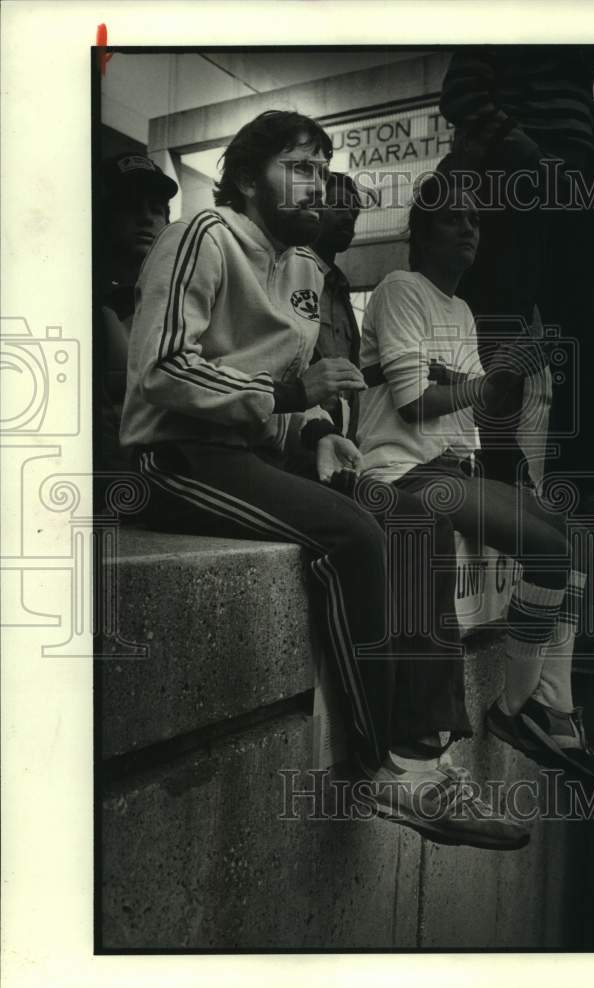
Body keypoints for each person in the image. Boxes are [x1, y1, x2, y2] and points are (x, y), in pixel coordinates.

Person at [120, 110, 529, 850]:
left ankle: (422, 750)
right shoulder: (203, 237)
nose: (317, 182)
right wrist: (286, 398)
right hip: (179, 458)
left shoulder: (298, 270)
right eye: (298, 166)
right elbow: (162, 370)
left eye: (322, 167)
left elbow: (285, 397)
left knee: (415, 518)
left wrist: (318, 435)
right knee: (352, 537)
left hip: (256, 453)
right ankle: (379, 768)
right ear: (246, 180)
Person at [357, 170, 594, 782]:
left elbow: (471, 406)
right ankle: (514, 710)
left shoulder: (461, 308)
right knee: (546, 548)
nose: (469, 228)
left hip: (452, 467)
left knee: (567, 537)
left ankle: (553, 703)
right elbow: (417, 401)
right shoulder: (399, 289)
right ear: (421, 233)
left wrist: (496, 388)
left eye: (475, 218)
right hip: (403, 472)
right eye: (453, 218)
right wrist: (486, 382)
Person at [439, 45, 594, 488]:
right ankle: (497, 463)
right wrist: (527, 150)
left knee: (574, 332)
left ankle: (558, 479)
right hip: (523, 172)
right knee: (501, 324)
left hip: (566, 174)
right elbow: (460, 94)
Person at [97, 153, 178, 472]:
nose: (146, 219)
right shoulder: (85, 308)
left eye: (157, 210)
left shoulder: (184, 308)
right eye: (132, 206)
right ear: (105, 217)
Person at [310, 171, 362, 441]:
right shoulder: (287, 275)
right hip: (296, 432)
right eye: (340, 205)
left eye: (354, 213)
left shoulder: (341, 290)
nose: (349, 218)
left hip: (338, 440)